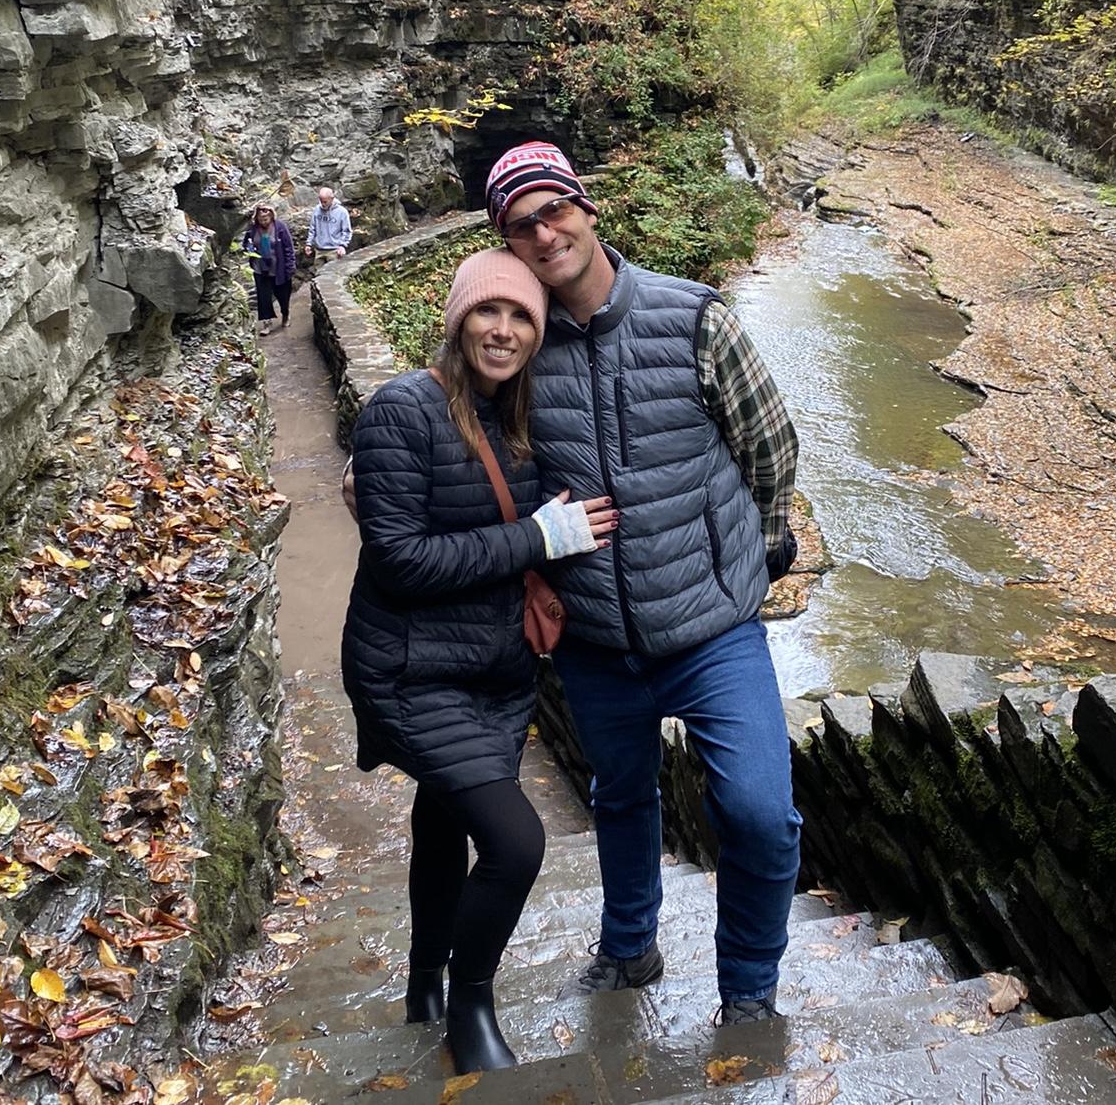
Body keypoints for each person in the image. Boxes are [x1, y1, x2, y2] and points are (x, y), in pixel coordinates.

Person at [346, 143, 804, 1026]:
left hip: (712, 627)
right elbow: (451, 440)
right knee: (620, 797)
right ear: (505, 243)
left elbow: (769, 446)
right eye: (523, 223)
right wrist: (368, 478)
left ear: (588, 210)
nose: (545, 229)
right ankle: (628, 946)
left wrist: (761, 549)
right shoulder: (517, 340)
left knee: (755, 811)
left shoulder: (695, 316)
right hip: (593, 639)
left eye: (555, 208)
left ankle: (749, 987)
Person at [343, 247, 618, 1074]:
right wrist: (535, 536)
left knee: (442, 817)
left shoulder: (518, 416)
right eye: (487, 313)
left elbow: (529, 530)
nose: (502, 331)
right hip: (411, 668)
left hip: (496, 673)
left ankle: (424, 983)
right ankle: (471, 1006)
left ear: (538, 333)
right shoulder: (401, 411)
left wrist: (554, 537)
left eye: (522, 317)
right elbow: (401, 560)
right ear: (459, 318)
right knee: (515, 842)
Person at [241, 204, 295, 335]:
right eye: (261, 219)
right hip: (260, 269)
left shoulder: (280, 227)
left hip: (278, 269)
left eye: (266, 219)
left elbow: (288, 248)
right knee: (263, 297)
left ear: (271, 216)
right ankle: (266, 323)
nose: (264, 221)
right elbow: (246, 245)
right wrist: (249, 249)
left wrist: (290, 266)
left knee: (283, 295)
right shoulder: (253, 230)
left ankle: (285, 314)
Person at [307, 186, 352, 260]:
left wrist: (342, 246)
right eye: (321, 201)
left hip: (335, 250)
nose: (323, 204)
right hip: (319, 250)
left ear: (332, 199)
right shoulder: (317, 210)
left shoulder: (342, 212)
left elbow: (347, 231)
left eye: (325, 202)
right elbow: (312, 229)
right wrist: (309, 244)